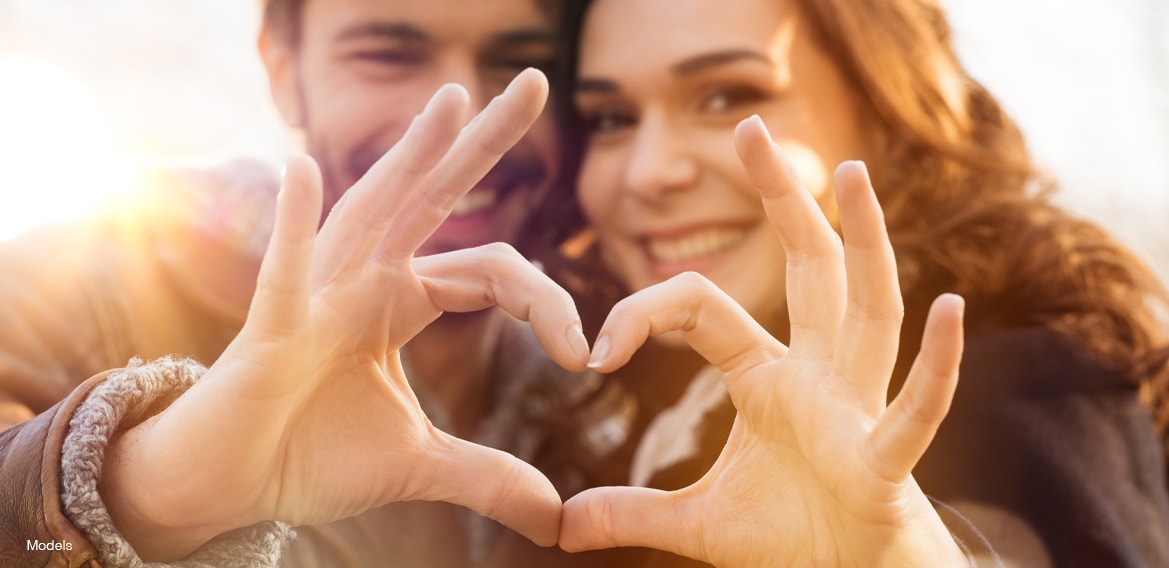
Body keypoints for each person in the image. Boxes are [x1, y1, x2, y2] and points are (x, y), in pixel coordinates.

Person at [519, 0, 1169, 566]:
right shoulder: (628, 413)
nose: (647, 172)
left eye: (727, 97)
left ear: (884, 107)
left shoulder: (1013, 390)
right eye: (610, 118)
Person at [0, 1, 599, 566]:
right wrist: (139, 496)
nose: (465, 118)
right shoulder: (69, 279)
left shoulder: (608, 391)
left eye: (523, 63)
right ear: (283, 73)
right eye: (388, 56)